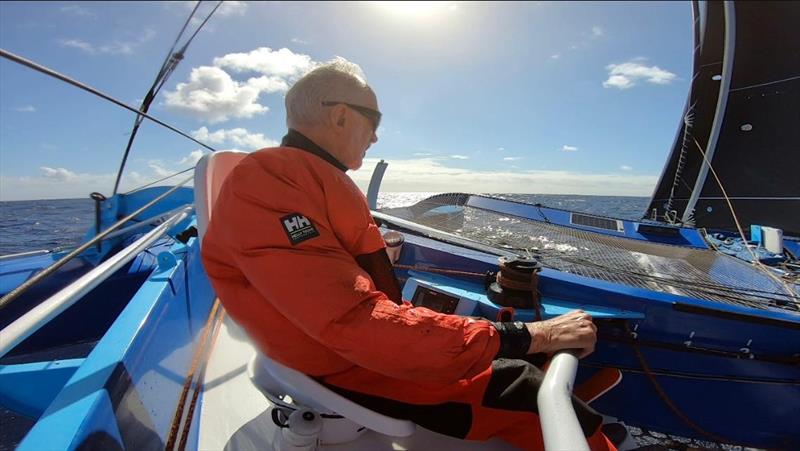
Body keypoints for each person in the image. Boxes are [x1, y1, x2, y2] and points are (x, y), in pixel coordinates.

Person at [201, 59, 615, 451]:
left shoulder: (305, 178)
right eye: (373, 120)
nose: (376, 136)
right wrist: (529, 336)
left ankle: (569, 403)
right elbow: (354, 324)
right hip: (349, 363)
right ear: (340, 116)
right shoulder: (270, 183)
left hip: (358, 347)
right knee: (522, 389)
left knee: (516, 354)